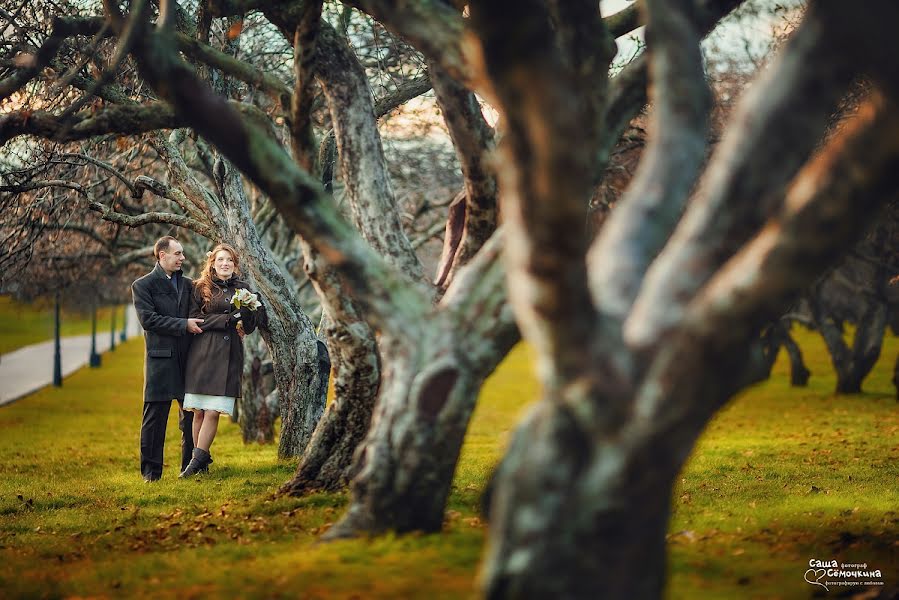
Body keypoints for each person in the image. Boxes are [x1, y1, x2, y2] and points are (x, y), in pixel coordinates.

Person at [179, 243, 265, 478]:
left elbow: (248, 328)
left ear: (235, 264)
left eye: (229, 260)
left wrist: (249, 314)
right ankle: (200, 465)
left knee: (214, 411)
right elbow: (195, 319)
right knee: (198, 411)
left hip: (228, 356)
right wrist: (228, 319)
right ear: (213, 263)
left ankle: (194, 464)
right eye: (220, 260)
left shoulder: (244, 289)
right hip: (201, 353)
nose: (225, 263)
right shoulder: (199, 288)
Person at [131, 236, 204, 482]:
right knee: (154, 421)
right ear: (162, 255)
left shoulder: (189, 284)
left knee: (191, 417)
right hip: (160, 362)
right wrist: (183, 325)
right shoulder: (142, 286)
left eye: (182, 253)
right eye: (178, 253)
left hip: (188, 361)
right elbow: (148, 320)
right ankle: (151, 474)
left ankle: (190, 468)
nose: (182, 258)